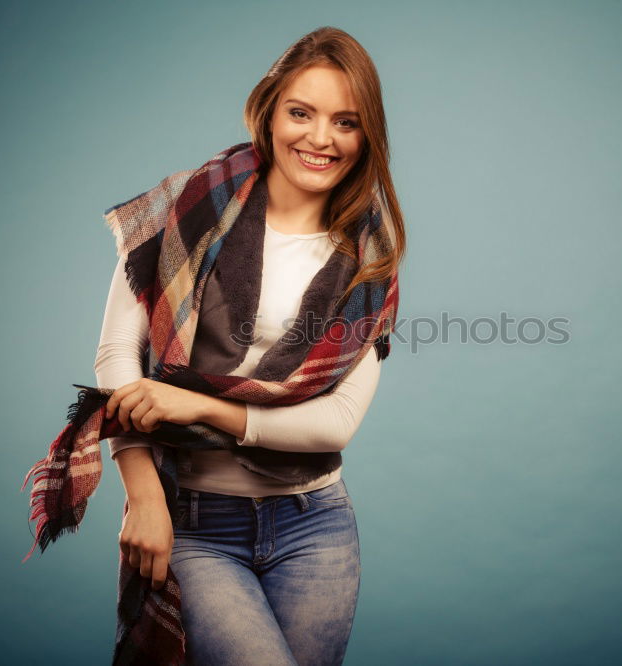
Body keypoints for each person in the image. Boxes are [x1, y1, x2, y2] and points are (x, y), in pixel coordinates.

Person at [93, 27, 406, 665]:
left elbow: (336, 424)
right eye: (301, 112)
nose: (320, 139)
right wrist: (143, 496)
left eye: (345, 122)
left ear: (366, 135)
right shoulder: (185, 207)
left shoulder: (372, 255)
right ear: (268, 110)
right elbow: (116, 361)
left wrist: (202, 407)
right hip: (194, 522)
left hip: (315, 527)